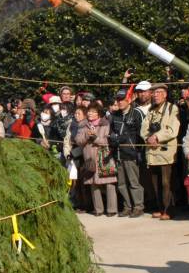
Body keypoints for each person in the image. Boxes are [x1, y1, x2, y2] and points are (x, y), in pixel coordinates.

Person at [141, 84, 180, 220]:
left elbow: (172, 129)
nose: (155, 95)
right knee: (154, 182)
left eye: (159, 92)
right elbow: (144, 127)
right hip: (151, 152)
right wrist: (147, 137)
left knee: (166, 182)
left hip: (166, 152)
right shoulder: (151, 110)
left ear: (165, 94)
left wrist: (157, 136)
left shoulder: (172, 108)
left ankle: (169, 209)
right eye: (154, 92)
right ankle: (159, 207)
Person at [76, 103, 118, 216]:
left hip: (104, 157)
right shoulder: (83, 125)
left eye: (93, 111)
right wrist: (86, 136)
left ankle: (111, 209)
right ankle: (98, 209)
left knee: (109, 183)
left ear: (98, 113)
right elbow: (78, 141)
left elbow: (107, 141)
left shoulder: (105, 124)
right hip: (89, 158)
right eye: (89, 111)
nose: (90, 113)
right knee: (93, 184)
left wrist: (95, 138)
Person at [109, 89, 144, 218]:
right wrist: (113, 139)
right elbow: (111, 131)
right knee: (122, 183)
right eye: (118, 99)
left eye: (122, 99)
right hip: (118, 153)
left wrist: (137, 149)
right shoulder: (115, 115)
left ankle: (138, 206)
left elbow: (141, 133)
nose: (120, 102)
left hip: (131, 153)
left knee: (134, 182)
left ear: (129, 100)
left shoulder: (136, 113)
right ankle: (127, 206)